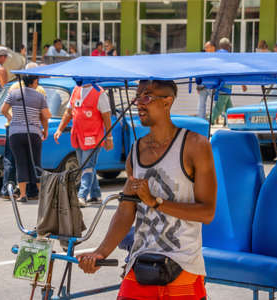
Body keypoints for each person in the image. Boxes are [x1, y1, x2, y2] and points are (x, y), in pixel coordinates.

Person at [77, 80, 217, 300]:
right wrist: (101, 252)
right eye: (137, 96)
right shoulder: (136, 150)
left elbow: (207, 212)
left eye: (146, 97)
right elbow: (125, 211)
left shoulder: (196, 145)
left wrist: (155, 201)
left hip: (183, 266)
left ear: (167, 102)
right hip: (140, 264)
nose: (138, 104)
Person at [53, 82, 114, 206]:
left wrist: (109, 138)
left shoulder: (99, 93)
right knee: (85, 165)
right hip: (78, 135)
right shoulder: (76, 90)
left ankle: (82, 196)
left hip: (93, 136)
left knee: (87, 165)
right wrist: (59, 129)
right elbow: (69, 112)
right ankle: (95, 194)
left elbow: (106, 116)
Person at [1, 75, 51, 202]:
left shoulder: (13, 93)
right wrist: (45, 127)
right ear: (34, 82)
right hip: (33, 133)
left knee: (20, 163)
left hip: (15, 134)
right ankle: (42, 194)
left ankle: (23, 195)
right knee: (35, 163)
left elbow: (3, 110)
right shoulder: (40, 96)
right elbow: (46, 115)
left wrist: (11, 119)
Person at [211, 38, 247, 124]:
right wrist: (243, 84)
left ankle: (233, 123)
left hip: (218, 83)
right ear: (227, 46)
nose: (230, 46)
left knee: (228, 107)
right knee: (219, 107)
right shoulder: (229, 56)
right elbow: (236, 71)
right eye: (229, 45)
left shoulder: (216, 55)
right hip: (225, 84)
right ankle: (208, 122)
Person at [196, 41, 215, 119]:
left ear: (213, 47)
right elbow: (198, 71)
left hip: (213, 85)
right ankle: (201, 121)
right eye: (205, 48)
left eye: (207, 47)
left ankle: (213, 119)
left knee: (217, 103)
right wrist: (198, 84)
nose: (205, 49)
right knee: (201, 104)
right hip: (202, 85)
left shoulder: (217, 58)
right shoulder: (202, 59)